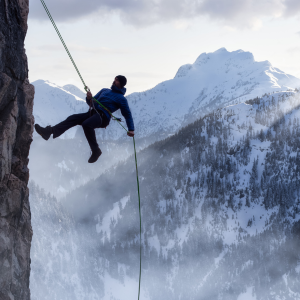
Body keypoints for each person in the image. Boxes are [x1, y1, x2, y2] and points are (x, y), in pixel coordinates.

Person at [34, 75, 135, 163]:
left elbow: (127, 114)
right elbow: (92, 103)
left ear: (121, 84)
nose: (114, 81)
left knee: (87, 124)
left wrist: (131, 129)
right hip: (93, 113)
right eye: (114, 79)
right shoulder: (105, 90)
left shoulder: (121, 99)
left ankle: (96, 150)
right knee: (72, 118)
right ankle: (49, 131)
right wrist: (89, 98)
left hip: (103, 117)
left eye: (116, 80)